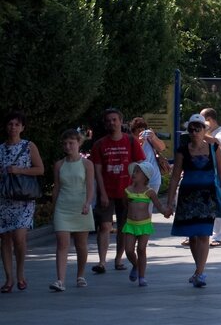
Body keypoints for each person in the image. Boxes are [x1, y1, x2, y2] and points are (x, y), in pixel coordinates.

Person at [170, 113, 221, 288]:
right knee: (192, 235)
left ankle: (200, 271)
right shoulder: (182, 150)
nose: (194, 132)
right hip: (188, 196)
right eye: (191, 129)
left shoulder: (213, 148)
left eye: (197, 128)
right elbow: (175, 176)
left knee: (204, 234)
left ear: (204, 129)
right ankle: (198, 269)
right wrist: (169, 202)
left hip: (208, 196)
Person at [90, 107, 145, 273]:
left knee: (123, 227)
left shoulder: (130, 141)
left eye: (114, 120)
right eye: (108, 121)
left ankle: (118, 259)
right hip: (106, 191)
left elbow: (139, 165)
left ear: (121, 122)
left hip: (127, 191)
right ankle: (101, 262)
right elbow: (97, 171)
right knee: (104, 226)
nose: (111, 123)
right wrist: (102, 192)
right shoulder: (100, 144)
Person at [1, 112, 45, 293]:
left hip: (24, 199)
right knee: (5, 239)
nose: (13, 127)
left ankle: (20, 273)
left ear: (22, 127)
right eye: (10, 124)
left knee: (19, 238)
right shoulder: (1, 148)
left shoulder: (28, 146)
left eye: (17, 124)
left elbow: (40, 169)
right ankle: (9, 278)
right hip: (4, 198)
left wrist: (18, 170)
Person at [50, 129, 94, 292]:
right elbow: (56, 188)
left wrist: (88, 203)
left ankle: (80, 275)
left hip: (81, 207)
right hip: (63, 207)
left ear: (79, 143)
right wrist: (53, 208)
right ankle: (60, 280)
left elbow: (90, 186)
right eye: (65, 143)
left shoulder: (87, 164)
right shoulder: (59, 165)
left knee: (81, 244)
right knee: (62, 244)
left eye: (71, 143)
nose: (68, 146)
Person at [122, 163, 168, 287]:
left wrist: (166, 212)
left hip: (144, 224)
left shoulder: (149, 192)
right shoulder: (128, 190)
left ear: (145, 176)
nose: (134, 174)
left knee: (141, 249)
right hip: (131, 224)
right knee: (129, 250)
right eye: (134, 171)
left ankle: (142, 277)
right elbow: (125, 205)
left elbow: (158, 205)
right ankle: (136, 265)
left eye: (137, 172)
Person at [203, 108, 221, 247]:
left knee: (219, 204)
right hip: (203, 172)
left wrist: (202, 133)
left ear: (210, 120)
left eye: (204, 120)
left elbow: (216, 142)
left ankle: (217, 237)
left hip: (218, 172)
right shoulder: (202, 133)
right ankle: (195, 234)